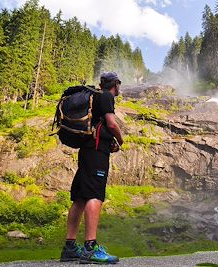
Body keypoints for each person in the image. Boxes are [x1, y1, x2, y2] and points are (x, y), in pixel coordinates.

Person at [60, 72, 124, 264]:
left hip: (86, 151)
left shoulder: (93, 96)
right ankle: (90, 248)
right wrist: (120, 141)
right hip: (97, 153)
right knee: (94, 196)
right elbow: (112, 124)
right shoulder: (106, 96)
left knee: (80, 198)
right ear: (116, 85)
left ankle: (70, 247)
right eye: (119, 85)